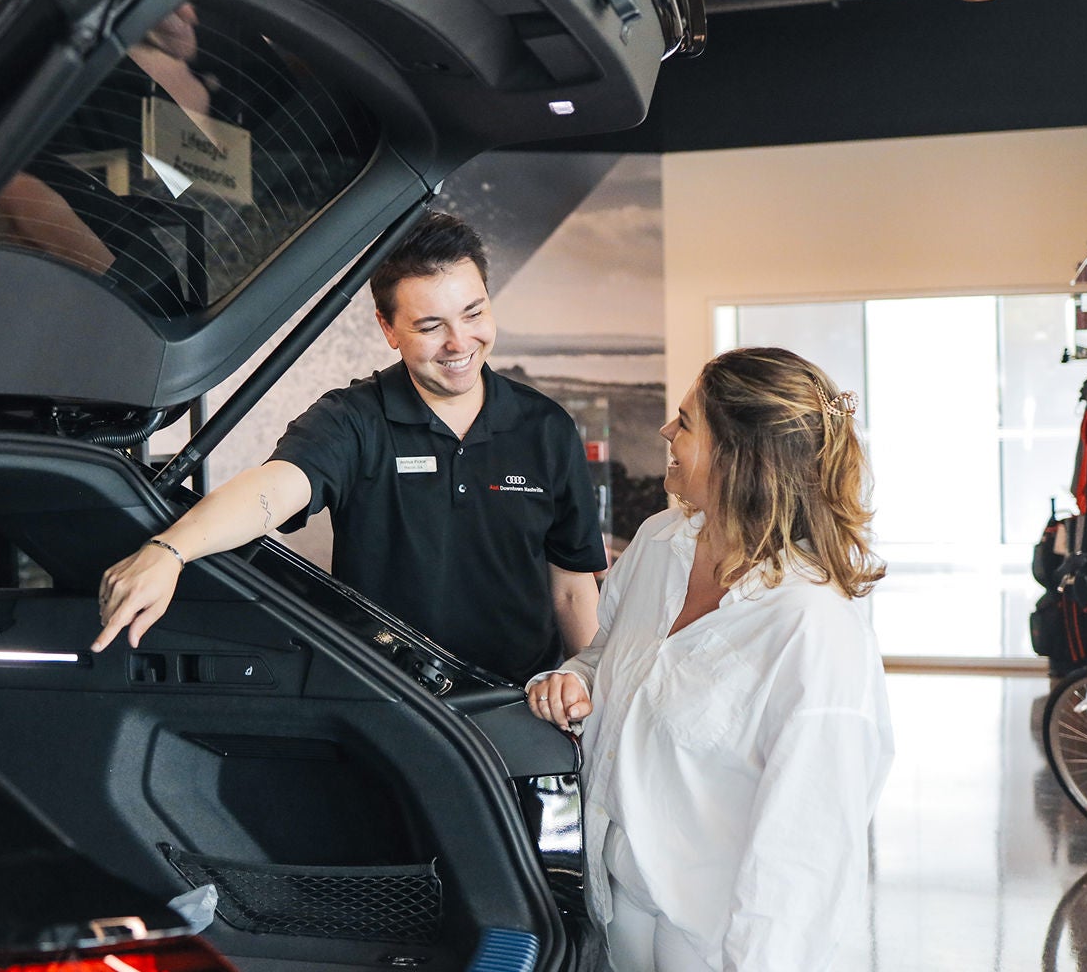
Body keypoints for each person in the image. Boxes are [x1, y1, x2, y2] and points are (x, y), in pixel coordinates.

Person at [92, 210, 606, 684]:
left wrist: (589, 696)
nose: (460, 343)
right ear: (388, 329)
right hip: (393, 703)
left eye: (473, 314)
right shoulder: (353, 418)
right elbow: (272, 488)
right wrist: (170, 551)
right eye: (430, 326)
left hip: (516, 702)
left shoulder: (545, 428)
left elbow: (570, 589)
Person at [527, 347, 894, 971]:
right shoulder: (658, 540)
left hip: (714, 940)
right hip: (612, 901)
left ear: (740, 455)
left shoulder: (815, 632)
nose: (666, 431)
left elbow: (803, 858)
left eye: (687, 422)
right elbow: (604, 653)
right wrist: (570, 680)